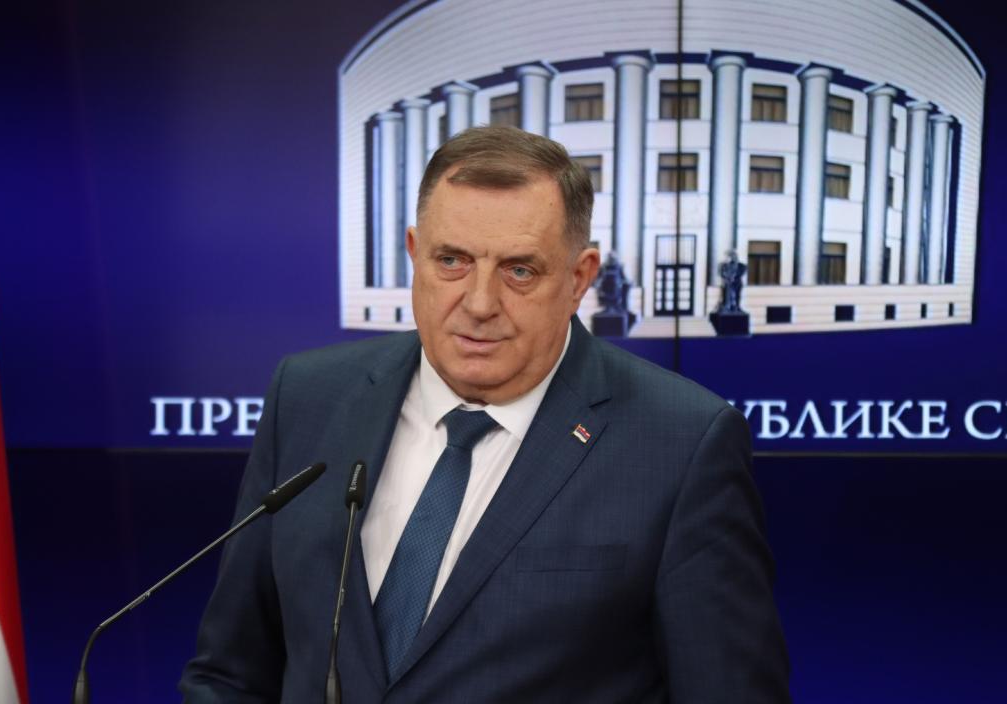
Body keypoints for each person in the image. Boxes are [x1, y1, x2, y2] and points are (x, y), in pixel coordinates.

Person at [179, 126, 791, 702]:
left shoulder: (680, 444)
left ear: (580, 279)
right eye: (452, 261)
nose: (478, 303)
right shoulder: (309, 396)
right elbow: (231, 672)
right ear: (415, 254)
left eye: (519, 271)